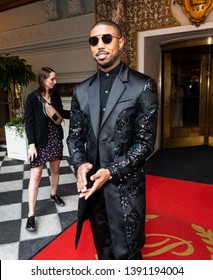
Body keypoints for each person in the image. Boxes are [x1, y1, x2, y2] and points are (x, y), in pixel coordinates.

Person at [67, 20, 158, 260]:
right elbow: (74, 137)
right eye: (93, 40)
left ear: (121, 42)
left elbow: (145, 143)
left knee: (128, 254)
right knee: (103, 251)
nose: (100, 45)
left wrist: (111, 170)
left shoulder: (142, 85)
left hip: (126, 189)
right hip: (94, 191)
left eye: (107, 38)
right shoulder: (81, 90)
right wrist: (79, 164)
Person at [25, 67, 70, 231]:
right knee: (35, 175)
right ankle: (31, 215)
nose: (55, 82)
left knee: (56, 169)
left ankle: (53, 194)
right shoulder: (32, 98)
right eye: (52, 79)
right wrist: (31, 145)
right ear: (44, 80)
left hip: (55, 139)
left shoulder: (55, 95)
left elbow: (61, 113)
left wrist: (78, 113)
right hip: (39, 142)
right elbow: (29, 123)